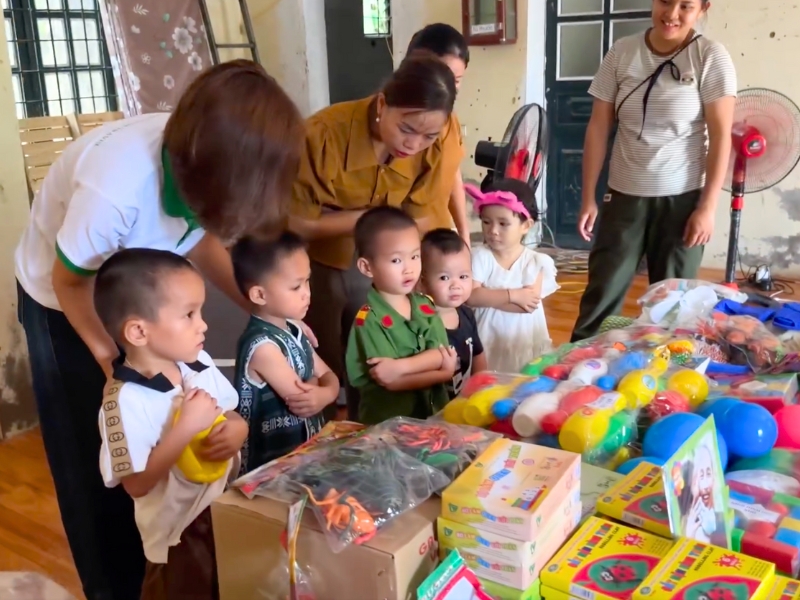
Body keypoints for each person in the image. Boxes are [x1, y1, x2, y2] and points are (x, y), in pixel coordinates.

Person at [14, 60, 304, 600]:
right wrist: (116, 366)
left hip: (143, 289)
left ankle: (162, 559)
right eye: (193, 317)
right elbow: (70, 281)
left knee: (159, 435)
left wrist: (261, 308)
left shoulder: (206, 168)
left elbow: (201, 237)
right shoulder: (117, 188)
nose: (203, 328)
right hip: (67, 296)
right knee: (94, 465)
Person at [290, 55, 458, 420]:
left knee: (397, 344)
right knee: (330, 355)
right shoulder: (322, 135)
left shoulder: (442, 133)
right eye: (406, 129)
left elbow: (424, 211)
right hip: (326, 256)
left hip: (398, 254)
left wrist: (430, 270)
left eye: (428, 136)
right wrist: (368, 219)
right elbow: (296, 222)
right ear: (382, 105)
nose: (414, 145)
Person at [571, 0, 736, 341]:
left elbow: (721, 137)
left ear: (703, 8)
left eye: (685, 6)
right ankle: (577, 366)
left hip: (682, 202)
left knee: (676, 310)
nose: (671, 14)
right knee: (600, 299)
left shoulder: (710, 56)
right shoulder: (622, 52)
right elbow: (598, 126)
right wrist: (588, 197)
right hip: (624, 198)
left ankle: (669, 374)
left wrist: (707, 209)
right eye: (665, 1)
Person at [94, 249, 248, 600]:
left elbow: (229, 412)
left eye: (200, 311)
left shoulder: (197, 361)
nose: (203, 325)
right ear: (138, 331)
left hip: (221, 510)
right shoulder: (123, 402)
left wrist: (240, 429)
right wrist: (185, 429)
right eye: (189, 314)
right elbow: (137, 484)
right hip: (177, 537)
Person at [230, 233, 339, 475]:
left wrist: (325, 391)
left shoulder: (294, 329)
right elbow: (303, 402)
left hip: (302, 459)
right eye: (296, 287)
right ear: (260, 295)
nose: (307, 293)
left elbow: (329, 376)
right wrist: (321, 388)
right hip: (272, 469)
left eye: (307, 281)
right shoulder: (263, 347)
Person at [345, 207, 457, 424]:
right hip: (390, 428)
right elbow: (390, 381)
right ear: (367, 267)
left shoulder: (424, 305)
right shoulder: (368, 320)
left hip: (433, 417)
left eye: (415, 256)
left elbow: (441, 355)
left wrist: (401, 367)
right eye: (396, 260)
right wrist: (443, 374)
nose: (409, 269)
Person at [467, 180, 559, 373]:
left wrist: (487, 297)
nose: (493, 230)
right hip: (487, 338)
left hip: (522, 341)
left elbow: (527, 305)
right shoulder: (480, 256)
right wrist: (513, 295)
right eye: (486, 222)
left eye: (503, 224)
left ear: (526, 226)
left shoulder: (536, 262)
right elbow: (471, 296)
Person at [407, 23, 471, 245]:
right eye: (442, 76)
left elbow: (452, 173)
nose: (448, 88)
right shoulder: (395, 128)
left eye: (456, 80)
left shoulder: (451, 121)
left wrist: (464, 235)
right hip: (402, 245)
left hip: (439, 239)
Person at [420, 228, 487, 398]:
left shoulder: (467, 314)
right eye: (444, 278)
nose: (456, 285)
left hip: (464, 400)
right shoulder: (422, 323)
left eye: (463, 277)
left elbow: (478, 354)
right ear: (423, 282)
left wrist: (480, 387)